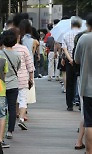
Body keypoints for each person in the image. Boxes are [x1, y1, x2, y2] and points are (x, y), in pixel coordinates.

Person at [75, 13, 92, 154]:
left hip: (88, 87)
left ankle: (89, 151)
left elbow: (76, 59)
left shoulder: (84, 39)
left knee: (89, 122)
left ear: (88, 25)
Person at [0, 30, 21, 139]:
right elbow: (18, 68)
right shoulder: (18, 55)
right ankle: (10, 131)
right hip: (13, 84)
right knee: (12, 108)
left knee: (1, 108)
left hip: (1, 84)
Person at [11, 28, 34, 130]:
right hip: (23, 78)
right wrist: (31, 78)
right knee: (23, 99)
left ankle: (13, 116)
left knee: (12, 99)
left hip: (11, 79)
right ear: (19, 37)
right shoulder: (24, 49)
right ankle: (21, 118)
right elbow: (30, 65)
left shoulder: (5, 49)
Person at [62, 16, 82, 111]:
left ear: (71, 24)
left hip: (69, 61)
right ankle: (80, 103)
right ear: (80, 25)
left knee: (70, 83)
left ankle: (69, 104)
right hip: (80, 62)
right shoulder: (82, 35)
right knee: (80, 82)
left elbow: (64, 49)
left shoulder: (66, 35)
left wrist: (70, 59)